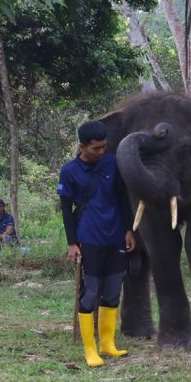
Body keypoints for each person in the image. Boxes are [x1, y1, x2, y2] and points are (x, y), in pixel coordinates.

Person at [57, 120, 137, 367]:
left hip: (116, 236)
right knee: (90, 292)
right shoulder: (69, 171)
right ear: (82, 146)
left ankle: (107, 344)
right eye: (96, 148)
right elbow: (66, 210)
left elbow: (122, 198)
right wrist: (72, 243)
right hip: (89, 238)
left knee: (113, 290)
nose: (101, 152)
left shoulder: (112, 163)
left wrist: (128, 229)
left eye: (104, 147)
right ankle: (90, 349)